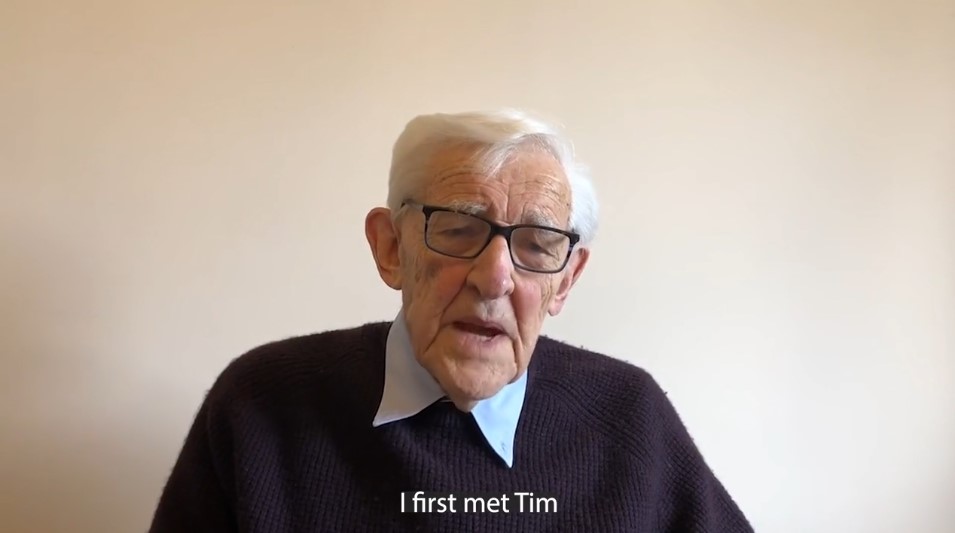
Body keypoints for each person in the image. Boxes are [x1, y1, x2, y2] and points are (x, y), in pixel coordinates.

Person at [148, 109, 754, 532]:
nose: (495, 278)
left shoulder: (628, 419)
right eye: (459, 229)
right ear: (391, 247)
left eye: (537, 245)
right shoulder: (260, 407)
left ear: (566, 280)